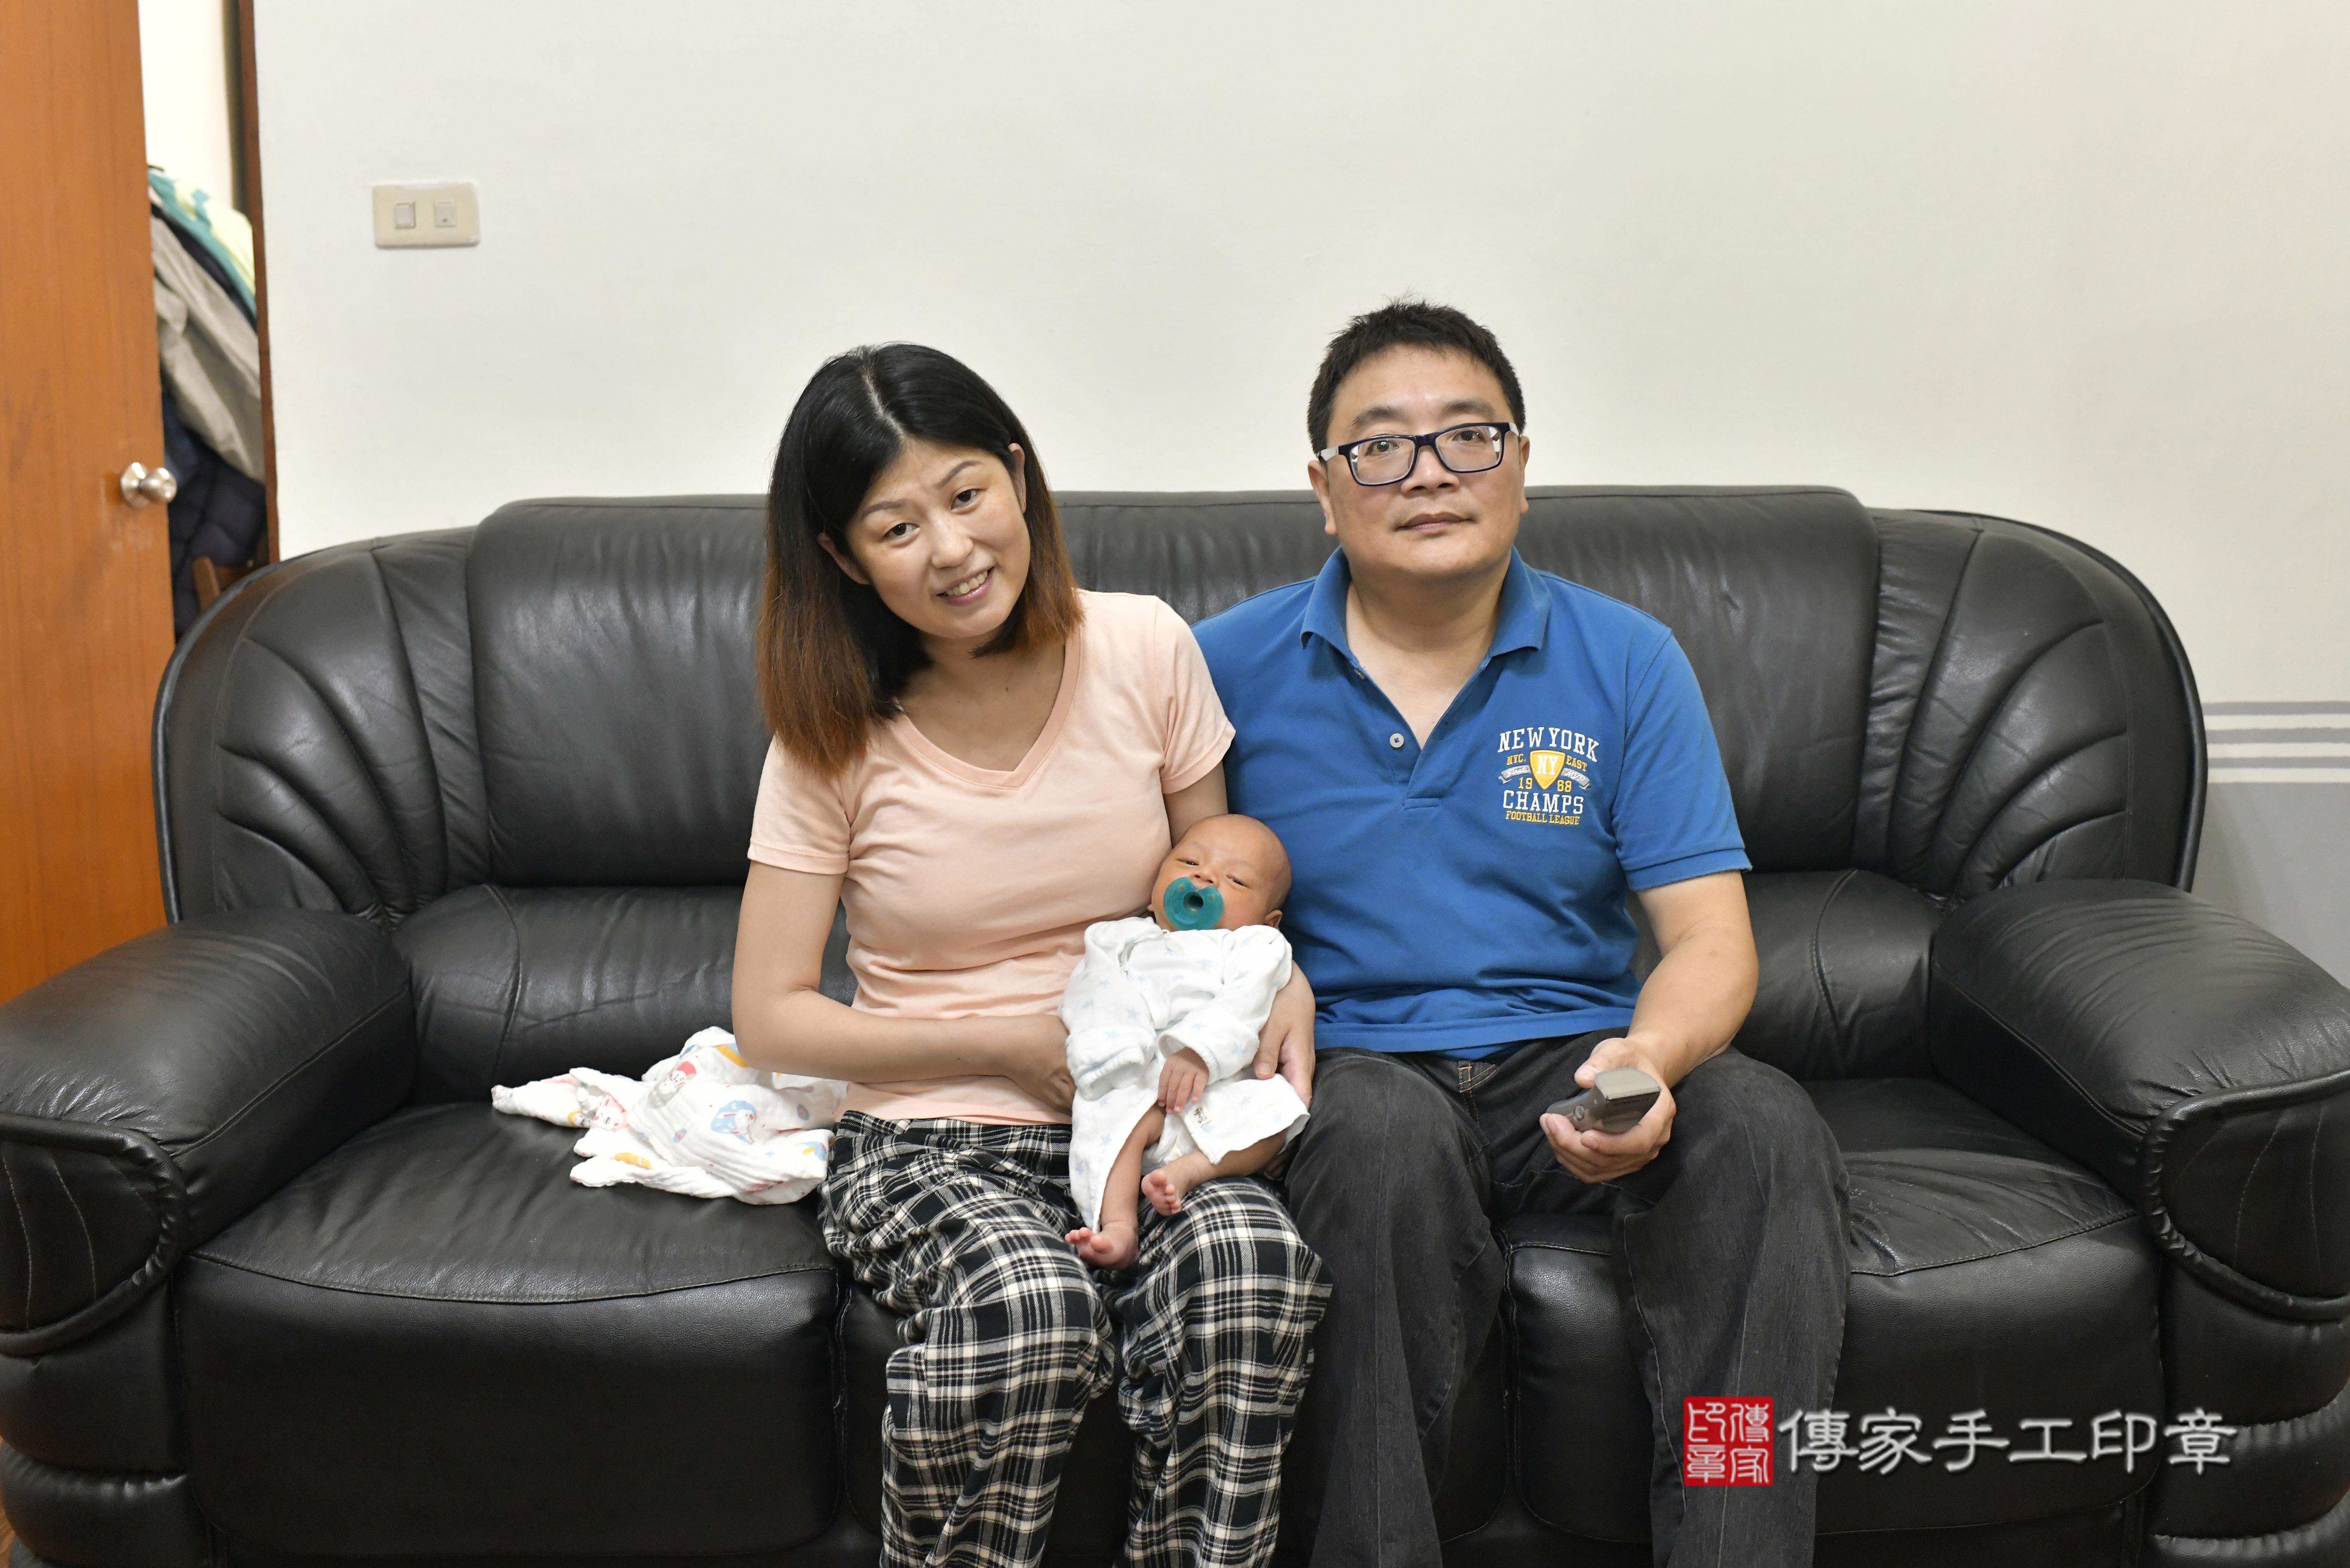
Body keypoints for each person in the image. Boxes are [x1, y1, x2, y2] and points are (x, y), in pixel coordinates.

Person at [1194, 301, 1849, 1568]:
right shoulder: (1219, 668)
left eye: (1467, 436)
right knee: (1375, 1142)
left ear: (1522, 465)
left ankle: (1738, 1539)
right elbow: (1169, 906)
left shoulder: (1626, 660)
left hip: (1576, 1053)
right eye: (1379, 445)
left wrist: (1645, 1062)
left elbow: (1710, 941)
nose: (1428, 472)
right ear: (1323, 489)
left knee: (1762, 1125)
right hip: (1358, 1070)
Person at [731, 344, 1329, 1568]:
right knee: (1029, 1306)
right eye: (897, 526)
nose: (952, 549)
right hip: (932, 1134)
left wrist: (1283, 980)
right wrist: (1005, 1045)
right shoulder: (829, 735)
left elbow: (1211, 888)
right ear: (843, 555)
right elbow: (773, 1017)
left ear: (1017, 476)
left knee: (1251, 1265)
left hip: (1144, 1123)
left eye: (966, 495)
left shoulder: (1143, 647)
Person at [1062, 812, 1311, 1270]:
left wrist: (1199, 1049)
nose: (1205, 877)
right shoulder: (1119, 938)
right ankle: (1117, 1227)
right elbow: (1095, 989)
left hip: (1220, 1087)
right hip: (1143, 1081)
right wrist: (1115, 1048)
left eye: (1235, 879)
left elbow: (1247, 1000)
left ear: (1269, 920)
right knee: (1112, 1122)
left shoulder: (1255, 946)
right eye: (1189, 862)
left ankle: (1192, 1170)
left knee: (1278, 1113)